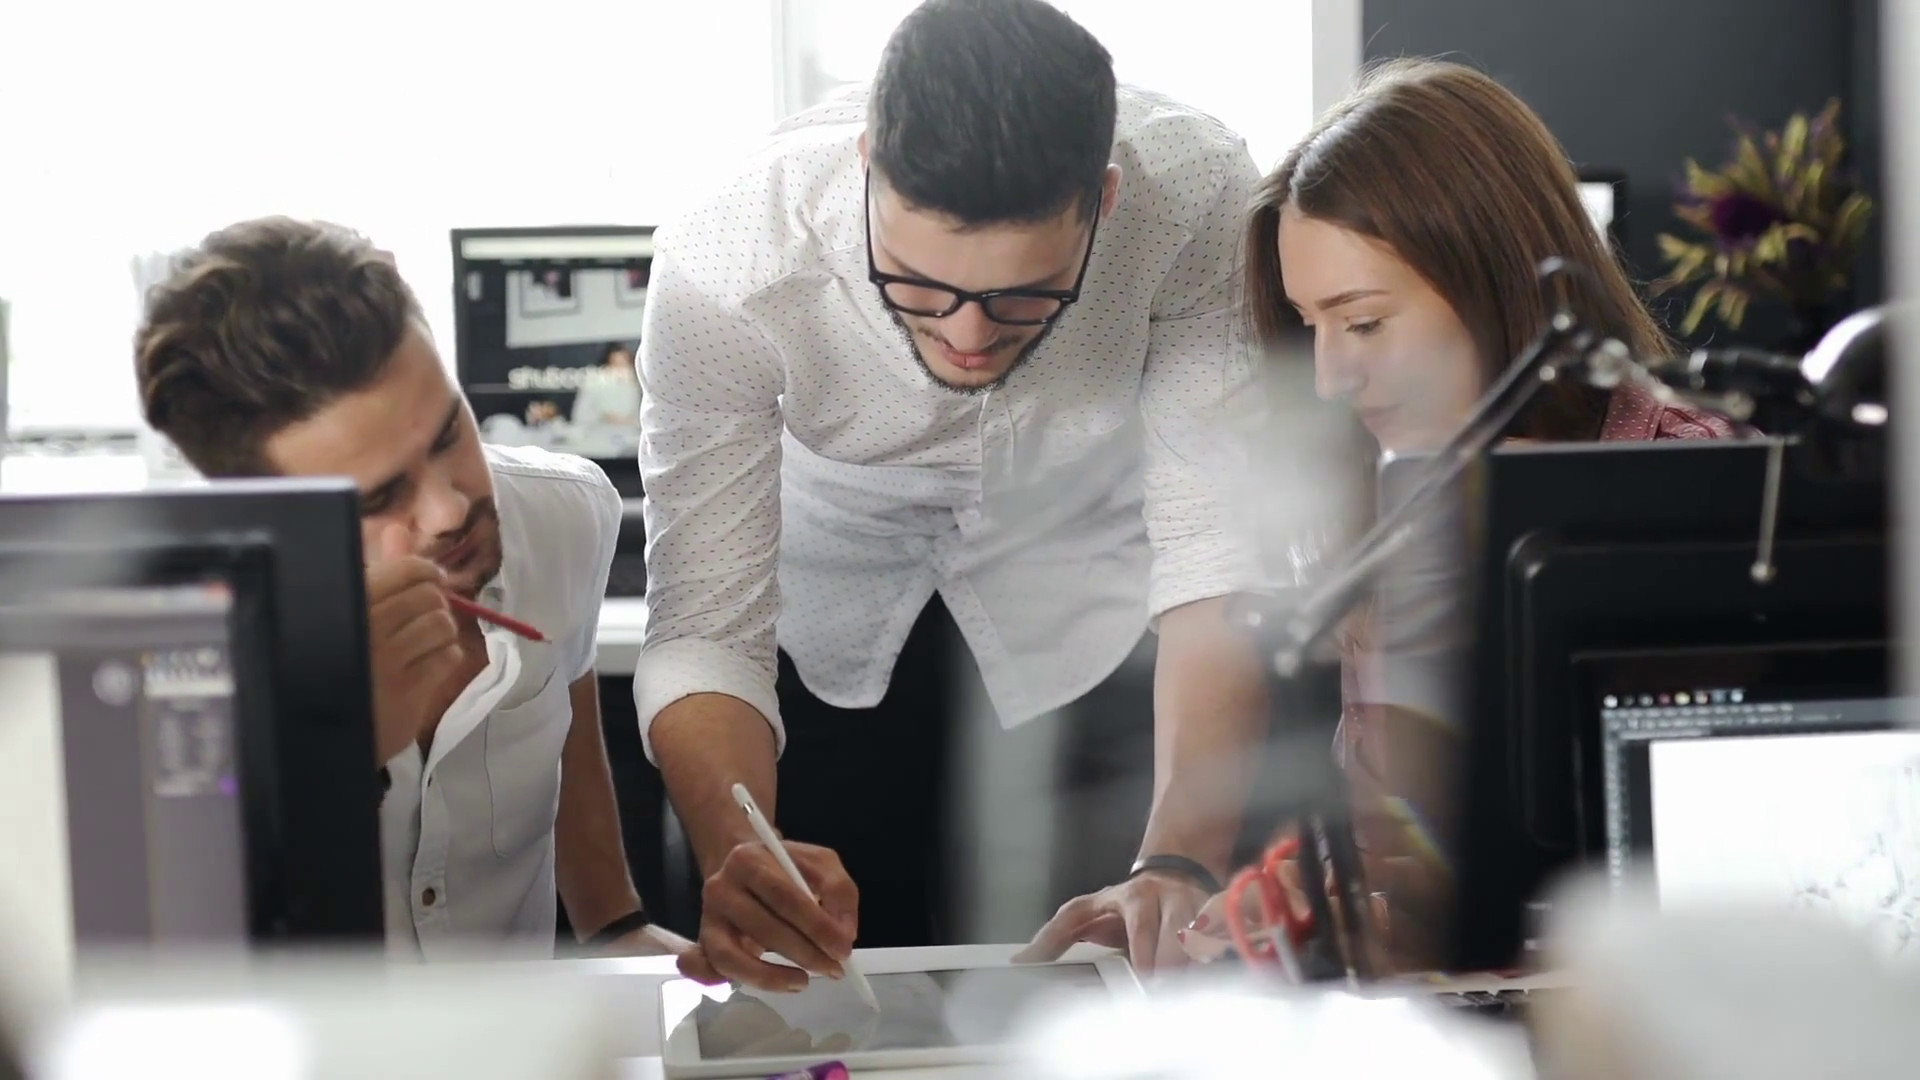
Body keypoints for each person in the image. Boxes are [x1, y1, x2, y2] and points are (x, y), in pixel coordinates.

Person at [1036, 56, 1741, 972]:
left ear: (1500, 280)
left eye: (1363, 323)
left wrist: (1433, 917)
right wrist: (1308, 893)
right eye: (1310, 327)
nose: (1331, 377)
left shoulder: (1701, 486)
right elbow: (1407, 849)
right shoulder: (1389, 501)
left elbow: (1729, 867)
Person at [638, 0, 1266, 991]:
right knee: (819, 969)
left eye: (1023, 295)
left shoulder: (1194, 195)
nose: (968, 337)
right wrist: (737, 851)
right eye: (919, 287)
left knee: (1084, 978)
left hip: (1083, 593)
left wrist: (1181, 859)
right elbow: (704, 619)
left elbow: (1215, 543)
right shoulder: (729, 254)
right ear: (867, 169)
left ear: (1103, 201)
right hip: (822, 598)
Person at [135, 217, 673, 960]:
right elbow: (185, 957)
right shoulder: (174, 654)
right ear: (264, 515)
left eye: (449, 433)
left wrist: (617, 926)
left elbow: (569, 717)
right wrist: (341, 751)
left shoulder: (563, 512)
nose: (449, 508)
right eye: (379, 497)